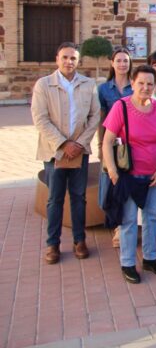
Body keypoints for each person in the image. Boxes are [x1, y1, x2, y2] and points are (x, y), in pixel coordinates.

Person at [31, 42, 101, 264]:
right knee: (55, 199)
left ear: (78, 61)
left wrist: (79, 144)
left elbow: (95, 116)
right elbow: (40, 119)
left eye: (73, 58)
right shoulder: (44, 85)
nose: (69, 62)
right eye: (65, 57)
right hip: (54, 153)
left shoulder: (89, 85)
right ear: (57, 59)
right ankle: (53, 244)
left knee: (79, 197)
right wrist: (63, 144)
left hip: (80, 151)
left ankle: (79, 240)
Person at [102, 65, 156, 284]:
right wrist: (112, 170)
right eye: (141, 83)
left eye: (150, 83)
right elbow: (107, 141)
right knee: (129, 220)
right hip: (129, 175)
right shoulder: (121, 107)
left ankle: (150, 258)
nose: (145, 87)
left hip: (153, 175)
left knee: (152, 217)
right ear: (132, 84)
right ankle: (128, 263)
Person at [97, 47, 133, 249]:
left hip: (129, 145)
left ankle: (123, 227)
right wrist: (101, 145)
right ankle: (115, 221)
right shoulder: (103, 90)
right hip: (111, 143)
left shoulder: (134, 88)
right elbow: (101, 119)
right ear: (112, 63)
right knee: (109, 184)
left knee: (126, 184)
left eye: (125, 61)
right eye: (118, 60)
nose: (122, 64)